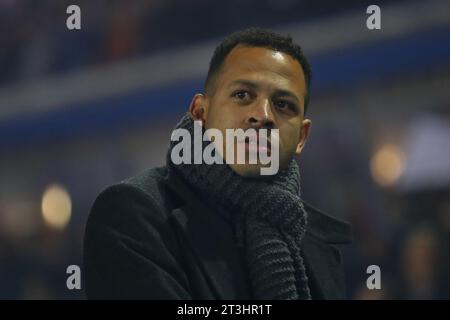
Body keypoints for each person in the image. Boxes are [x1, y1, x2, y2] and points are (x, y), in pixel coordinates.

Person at [84, 27, 352, 299]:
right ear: (200, 113)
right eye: (243, 95)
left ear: (301, 137)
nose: (263, 115)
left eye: (283, 105)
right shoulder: (134, 214)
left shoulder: (317, 242)